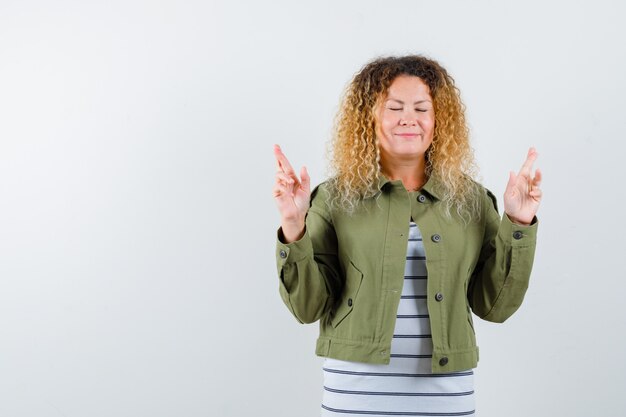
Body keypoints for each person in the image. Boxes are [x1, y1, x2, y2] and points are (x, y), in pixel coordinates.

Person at [272, 55, 541, 416]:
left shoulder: (471, 200)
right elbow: (307, 307)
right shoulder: (335, 198)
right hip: (356, 393)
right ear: (368, 117)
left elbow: (494, 306)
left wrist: (518, 223)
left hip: (446, 394)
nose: (408, 119)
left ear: (438, 120)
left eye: (421, 108)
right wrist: (293, 224)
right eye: (394, 107)